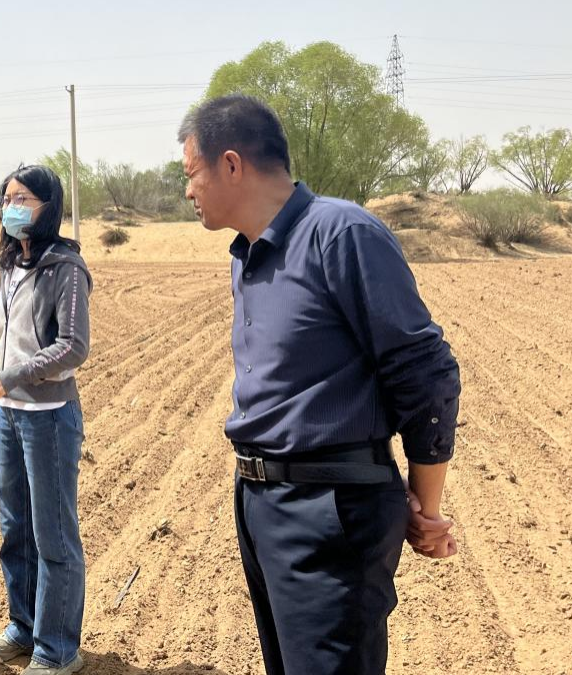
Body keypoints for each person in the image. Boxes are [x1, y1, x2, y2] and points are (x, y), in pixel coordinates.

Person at [177, 94, 461, 675]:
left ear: (231, 164)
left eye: (191, 173)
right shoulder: (247, 255)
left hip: (330, 510)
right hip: (260, 503)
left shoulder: (342, 234)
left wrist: (424, 505)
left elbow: (426, 373)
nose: (188, 191)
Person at [0, 165, 92, 675]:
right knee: (14, 528)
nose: (11, 206)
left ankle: (58, 648)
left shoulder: (65, 268)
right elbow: (2, 343)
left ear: (48, 206)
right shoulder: (10, 265)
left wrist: (16, 375)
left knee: (53, 535)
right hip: (9, 418)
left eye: (23, 198)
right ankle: (23, 626)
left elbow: (73, 346)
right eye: (6, 198)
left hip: (47, 418)